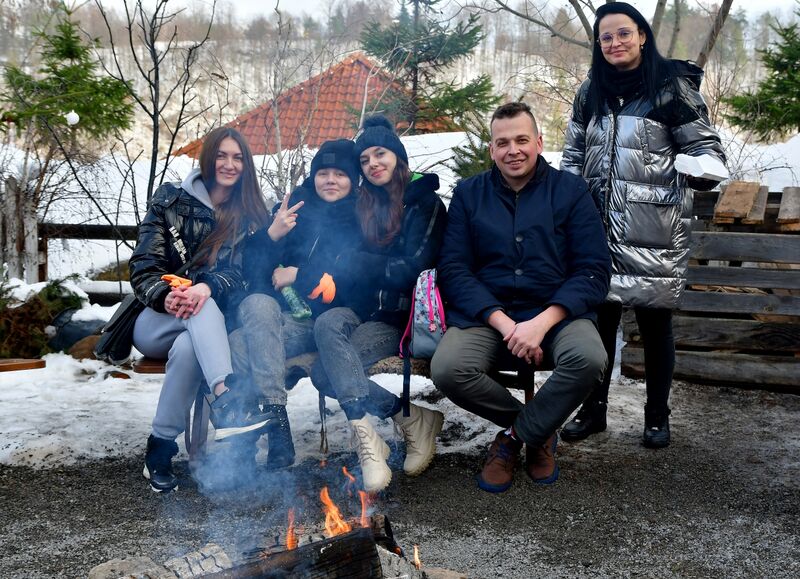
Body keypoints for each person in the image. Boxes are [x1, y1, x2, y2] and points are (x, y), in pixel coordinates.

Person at [560, 2, 727, 448]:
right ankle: (592, 410)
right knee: (598, 325)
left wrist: (703, 168)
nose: (615, 43)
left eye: (623, 33)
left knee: (654, 328)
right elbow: (574, 154)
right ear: (599, 44)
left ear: (642, 36)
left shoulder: (671, 88)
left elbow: (707, 147)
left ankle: (656, 417)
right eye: (606, 36)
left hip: (655, 228)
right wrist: (564, 202)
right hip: (596, 229)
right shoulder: (590, 90)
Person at [431, 102, 611, 493]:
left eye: (521, 140)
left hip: (557, 314)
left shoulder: (571, 191)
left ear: (539, 143)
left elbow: (594, 269)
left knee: (591, 359)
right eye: (502, 142)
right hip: (487, 316)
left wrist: (542, 322)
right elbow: (454, 270)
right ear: (491, 150)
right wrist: (506, 323)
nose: (513, 150)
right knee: (447, 369)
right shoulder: (468, 194)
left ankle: (513, 439)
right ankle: (539, 429)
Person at [308, 116, 447, 492]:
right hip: (359, 307)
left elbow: (414, 269)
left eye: (380, 154)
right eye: (365, 159)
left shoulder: (425, 205)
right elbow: (339, 259)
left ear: (397, 157)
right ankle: (400, 422)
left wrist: (360, 263)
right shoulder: (362, 205)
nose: (373, 164)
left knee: (325, 374)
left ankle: (400, 427)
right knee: (326, 327)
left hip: (398, 318)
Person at [130, 127, 272, 492]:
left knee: (194, 337)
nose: (229, 164)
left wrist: (206, 287)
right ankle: (226, 399)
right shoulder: (170, 202)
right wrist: (165, 295)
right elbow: (143, 265)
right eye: (222, 156)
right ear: (207, 159)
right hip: (157, 321)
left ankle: (159, 448)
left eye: (237, 157)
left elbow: (242, 277)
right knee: (196, 305)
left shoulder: (250, 215)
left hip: (205, 328)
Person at [228, 138, 366, 472]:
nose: (330, 180)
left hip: (321, 322)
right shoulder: (294, 209)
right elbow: (255, 276)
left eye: (340, 174)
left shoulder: (362, 216)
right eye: (323, 173)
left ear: (353, 179)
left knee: (238, 345)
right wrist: (271, 235)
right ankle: (277, 426)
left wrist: (299, 275)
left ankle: (250, 436)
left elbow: (354, 282)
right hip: (277, 317)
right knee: (258, 304)